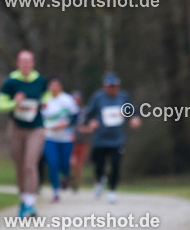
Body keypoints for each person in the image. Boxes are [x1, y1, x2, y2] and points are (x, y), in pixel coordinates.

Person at [0, 50, 48, 218]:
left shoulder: (40, 81)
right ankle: (23, 199)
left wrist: (45, 105)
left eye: (28, 62)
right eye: (22, 62)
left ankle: (30, 204)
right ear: (18, 63)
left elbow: (46, 98)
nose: (25, 65)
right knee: (19, 165)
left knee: (30, 164)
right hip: (17, 128)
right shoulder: (11, 82)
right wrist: (14, 103)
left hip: (36, 128)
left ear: (32, 63)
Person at [83, 72, 142, 204]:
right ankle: (99, 181)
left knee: (115, 165)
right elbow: (88, 115)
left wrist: (134, 119)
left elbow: (133, 111)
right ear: (104, 86)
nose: (112, 88)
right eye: (110, 86)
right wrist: (91, 122)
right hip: (100, 139)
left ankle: (112, 191)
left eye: (115, 86)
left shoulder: (123, 97)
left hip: (117, 139)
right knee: (99, 166)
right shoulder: (98, 98)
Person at [40, 77, 78, 203]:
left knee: (64, 164)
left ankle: (65, 176)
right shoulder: (44, 99)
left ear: (60, 86)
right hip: (49, 136)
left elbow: (75, 116)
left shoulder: (67, 99)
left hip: (65, 137)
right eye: (52, 85)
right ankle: (55, 191)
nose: (54, 88)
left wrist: (66, 124)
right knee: (52, 162)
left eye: (57, 85)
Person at [68, 90, 90, 191]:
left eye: (78, 99)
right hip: (70, 140)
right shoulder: (67, 111)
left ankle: (76, 183)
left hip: (82, 140)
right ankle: (69, 179)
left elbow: (90, 124)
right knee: (72, 162)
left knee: (80, 163)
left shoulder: (85, 111)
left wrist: (86, 129)